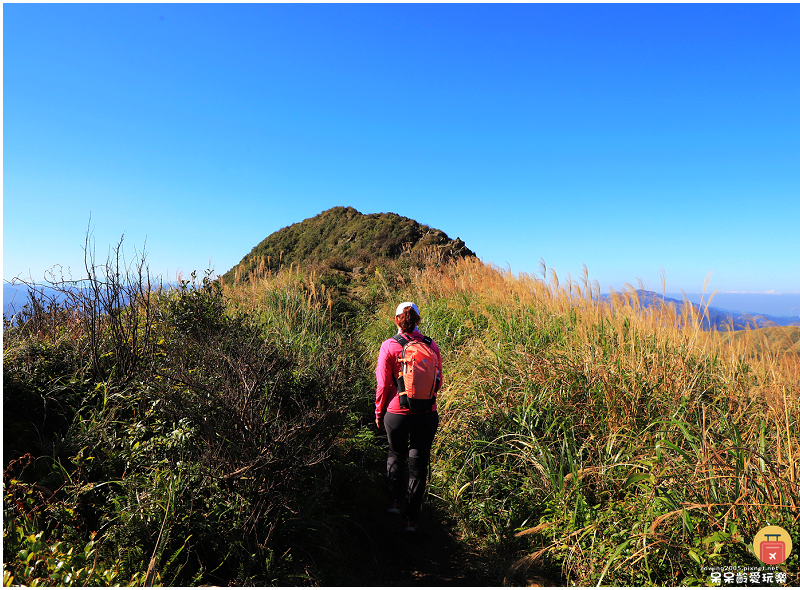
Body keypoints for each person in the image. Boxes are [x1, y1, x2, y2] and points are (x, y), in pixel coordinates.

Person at [375, 301, 442, 533]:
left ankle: (394, 503)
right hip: (427, 414)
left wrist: (378, 412)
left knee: (396, 453)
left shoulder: (389, 346)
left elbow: (383, 385)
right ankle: (411, 521)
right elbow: (439, 382)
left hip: (397, 413)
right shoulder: (431, 345)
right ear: (418, 320)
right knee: (418, 464)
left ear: (396, 320)